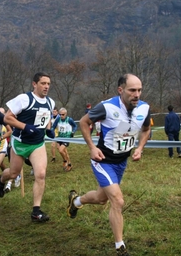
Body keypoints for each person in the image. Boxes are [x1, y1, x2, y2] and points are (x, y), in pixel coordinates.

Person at [67, 74, 151, 256]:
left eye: (139, 90)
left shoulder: (144, 108)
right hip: (102, 161)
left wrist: (140, 148)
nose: (136, 94)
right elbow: (83, 122)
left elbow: (145, 129)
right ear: (120, 90)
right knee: (117, 200)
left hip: (121, 162)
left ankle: (76, 201)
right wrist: (91, 147)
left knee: (101, 198)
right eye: (132, 90)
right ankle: (120, 246)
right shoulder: (107, 107)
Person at [0, 71, 55, 223]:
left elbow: (46, 117)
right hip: (20, 142)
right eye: (43, 83)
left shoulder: (50, 102)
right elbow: (7, 118)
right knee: (14, 173)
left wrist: (48, 128)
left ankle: (36, 211)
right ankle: (1, 181)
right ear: (34, 84)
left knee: (41, 174)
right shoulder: (24, 99)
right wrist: (25, 127)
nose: (46, 86)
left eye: (48, 84)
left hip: (37, 143)